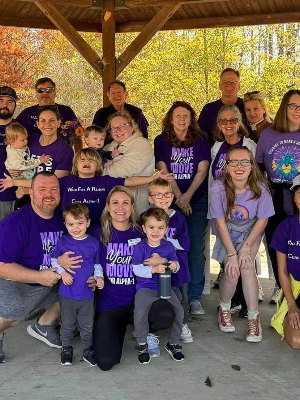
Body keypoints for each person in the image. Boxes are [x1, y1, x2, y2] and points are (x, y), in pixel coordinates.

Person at [91, 186, 176, 371]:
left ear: (132, 206)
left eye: (125, 203)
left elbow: (169, 254)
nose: (120, 207)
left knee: (165, 314)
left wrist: (164, 260)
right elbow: (81, 253)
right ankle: (121, 330)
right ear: (107, 206)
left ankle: (148, 331)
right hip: (110, 305)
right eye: (115, 203)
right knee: (105, 362)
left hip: (140, 300)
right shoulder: (98, 233)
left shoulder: (142, 232)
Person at [0, 148, 173, 227]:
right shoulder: (67, 181)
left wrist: (153, 177)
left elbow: (129, 180)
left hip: (97, 229)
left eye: (91, 160)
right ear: (76, 164)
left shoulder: (105, 181)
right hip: (70, 230)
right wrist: (14, 182)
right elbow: (42, 184)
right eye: (82, 160)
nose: (86, 163)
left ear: (98, 165)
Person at [210, 146, 274, 342]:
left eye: (244, 162)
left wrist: (246, 248)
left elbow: (262, 220)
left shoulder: (260, 187)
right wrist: (231, 253)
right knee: (233, 269)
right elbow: (220, 222)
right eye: (234, 162)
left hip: (251, 230)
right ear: (227, 166)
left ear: (251, 165)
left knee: (247, 267)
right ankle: (225, 308)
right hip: (227, 230)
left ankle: (254, 319)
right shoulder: (218, 188)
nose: (239, 166)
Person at [0, 172, 64, 363]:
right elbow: (2, 267)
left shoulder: (65, 217)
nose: (49, 194)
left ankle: (44, 324)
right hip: (22, 281)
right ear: (32, 193)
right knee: (11, 318)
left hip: (55, 280)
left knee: (85, 286)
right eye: (42, 189)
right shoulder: (15, 222)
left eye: (54, 189)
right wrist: (38, 277)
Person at [154, 101, 210, 315]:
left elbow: (202, 169)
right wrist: (178, 197)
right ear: (170, 118)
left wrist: (187, 197)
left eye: (186, 115)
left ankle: (194, 297)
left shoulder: (201, 139)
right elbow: (163, 170)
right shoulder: (160, 141)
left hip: (196, 199)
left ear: (191, 118)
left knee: (195, 249)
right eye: (177, 115)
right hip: (169, 200)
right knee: (166, 246)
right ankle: (168, 294)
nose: (181, 119)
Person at [256, 89, 300, 304]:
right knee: (278, 246)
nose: (297, 110)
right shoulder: (269, 134)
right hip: (275, 198)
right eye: (293, 105)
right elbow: (258, 168)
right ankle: (282, 292)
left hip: (299, 198)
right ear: (285, 107)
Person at [51, 203, 104, 367]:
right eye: (71, 224)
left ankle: (88, 350)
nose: (75, 227)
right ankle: (66, 349)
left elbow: (97, 265)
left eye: (80, 223)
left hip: (87, 294)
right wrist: (63, 273)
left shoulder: (94, 243)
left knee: (87, 325)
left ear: (88, 223)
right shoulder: (63, 241)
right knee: (67, 324)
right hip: (67, 293)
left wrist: (99, 278)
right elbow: (53, 261)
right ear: (65, 224)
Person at [133, 207, 184, 364]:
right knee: (140, 312)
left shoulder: (168, 246)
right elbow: (136, 269)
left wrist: (171, 264)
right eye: (151, 227)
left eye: (160, 228)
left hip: (165, 285)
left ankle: (173, 342)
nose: (156, 231)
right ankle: (142, 344)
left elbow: (175, 264)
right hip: (146, 287)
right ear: (144, 228)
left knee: (179, 310)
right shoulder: (140, 247)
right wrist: (153, 269)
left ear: (166, 229)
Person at [147, 178, 192, 343]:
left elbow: (185, 244)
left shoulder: (178, 218)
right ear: (150, 198)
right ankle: (151, 329)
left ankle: (182, 325)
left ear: (172, 196)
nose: (163, 197)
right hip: (156, 268)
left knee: (180, 298)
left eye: (167, 194)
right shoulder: (146, 218)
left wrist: (166, 240)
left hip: (177, 267)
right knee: (156, 297)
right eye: (158, 195)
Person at [103, 111, 155, 214]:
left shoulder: (141, 144)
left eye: (122, 126)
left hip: (136, 206)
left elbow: (120, 171)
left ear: (132, 127)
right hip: (112, 207)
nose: (118, 130)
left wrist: (95, 174)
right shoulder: (108, 147)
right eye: (114, 128)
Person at [271, 175, 300, 350]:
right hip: (295, 291)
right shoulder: (285, 227)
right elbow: (282, 270)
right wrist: (292, 305)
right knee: (296, 341)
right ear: (294, 197)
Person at [198, 68, 247, 146]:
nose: (228, 85)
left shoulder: (247, 107)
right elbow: (200, 137)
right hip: (215, 155)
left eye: (232, 82)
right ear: (219, 85)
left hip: (245, 155)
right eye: (225, 82)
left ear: (239, 85)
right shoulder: (208, 110)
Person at [0, 86, 18, 220]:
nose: (4, 105)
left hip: (9, 194)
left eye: (9, 102)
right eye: (1, 100)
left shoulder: (22, 129)